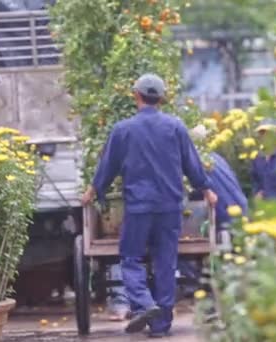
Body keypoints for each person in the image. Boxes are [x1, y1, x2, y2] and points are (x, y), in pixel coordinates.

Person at [81, 73, 218, 337]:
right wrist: (207, 190)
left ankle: (144, 303)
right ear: (162, 99)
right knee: (166, 261)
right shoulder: (176, 127)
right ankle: (160, 326)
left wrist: (92, 191)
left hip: (139, 207)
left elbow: (107, 167)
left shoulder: (123, 130)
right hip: (170, 207)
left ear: (136, 96)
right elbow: (192, 164)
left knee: (131, 258)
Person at [250, 118, 276, 200]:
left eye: (269, 133)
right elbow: (255, 180)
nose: (264, 136)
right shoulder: (258, 158)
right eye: (262, 133)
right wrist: (257, 193)